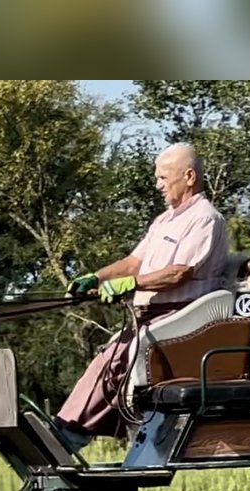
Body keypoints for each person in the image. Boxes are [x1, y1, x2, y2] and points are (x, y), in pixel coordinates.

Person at [54, 143, 229, 451]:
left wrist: (128, 285)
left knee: (117, 359)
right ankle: (67, 429)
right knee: (106, 359)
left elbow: (178, 273)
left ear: (189, 176)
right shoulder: (164, 221)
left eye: (163, 177)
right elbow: (133, 262)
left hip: (183, 319)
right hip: (154, 319)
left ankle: (69, 436)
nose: (158, 185)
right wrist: (97, 277)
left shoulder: (205, 218)